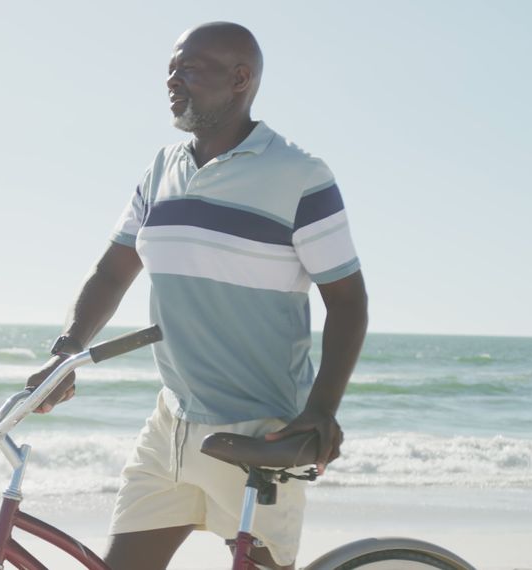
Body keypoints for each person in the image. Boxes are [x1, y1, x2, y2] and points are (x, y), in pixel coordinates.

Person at [25, 21, 369, 570]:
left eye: (189, 68)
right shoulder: (160, 169)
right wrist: (66, 350)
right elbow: (113, 271)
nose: (172, 79)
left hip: (258, 430)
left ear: (240, 78)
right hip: (171, 424)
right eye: (170, 68)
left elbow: (348, 302)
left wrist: (322, 409)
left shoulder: (300, 176)